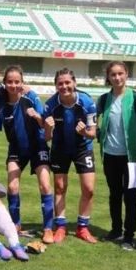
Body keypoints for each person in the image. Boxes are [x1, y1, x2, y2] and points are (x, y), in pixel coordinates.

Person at [0, 66, 54, 243]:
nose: (13, 85)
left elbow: (44, 124)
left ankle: (48, 228)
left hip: (38, 146)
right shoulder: (1, 105)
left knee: (45, 185)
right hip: (16, 149)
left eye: (17, 81)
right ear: (5, 82)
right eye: (10, 81)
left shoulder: (31, 98)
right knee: (12, 186)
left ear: (22, 82)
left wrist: (37, 116)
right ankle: (15, 224)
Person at [96, 61, 136, 251]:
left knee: (131, 196)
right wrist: (98, 134)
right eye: (113, 74)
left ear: (126, 74)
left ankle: (129, 236)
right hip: (110, 155)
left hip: (132, 157)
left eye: (120, 73)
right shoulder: (104, 99)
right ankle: (116, 230)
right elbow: (92, 120)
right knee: (114, 194)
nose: (117, 78)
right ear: (108, 77)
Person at [43, 68, 98, 244]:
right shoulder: (50, 105)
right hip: (60, 148)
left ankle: (83, 227)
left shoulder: (87, 102)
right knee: (60, 187)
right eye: (60, 83)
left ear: (74, 83)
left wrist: (84, 133)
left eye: (67, 82)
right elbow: (46, 138)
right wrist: (48, 128)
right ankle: (60, 227)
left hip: (83, 147)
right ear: (56, 85)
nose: (64, 86)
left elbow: (93, 133)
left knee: (89, 189)